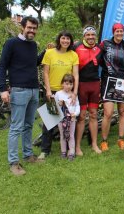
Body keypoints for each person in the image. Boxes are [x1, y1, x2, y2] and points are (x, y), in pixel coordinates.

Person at [0, 16, 43, 176]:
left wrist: (45, 52)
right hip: (18, 90)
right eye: (29, 27)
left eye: (35, 28)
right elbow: (2, 66)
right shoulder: (11, 43)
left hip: (33, 90)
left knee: (29, 125)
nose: (32, 30)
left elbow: (33, 63)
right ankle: (13, 163)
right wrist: (3, 89)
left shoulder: (32, 45)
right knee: (16, 127)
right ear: (22, 27)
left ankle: (28, 155)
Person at [39, 31, 79, 159]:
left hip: (68, 93)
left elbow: (76, 75)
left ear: (71, 41)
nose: (65, 41)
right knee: (49, 121)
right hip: (53, 92)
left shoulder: (73, 55)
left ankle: (69, 149)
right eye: (63, 38)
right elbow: (45, 73)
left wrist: (75, 93)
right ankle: (45, 150)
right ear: (59, 39)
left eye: (68, 39)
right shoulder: (49, 53)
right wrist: (48, 90)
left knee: (69, 119)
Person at [99, 23, 124, 151]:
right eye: (117, 31)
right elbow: (96, 54)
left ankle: (121, 139)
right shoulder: (105, 44)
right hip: (108, 80)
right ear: (113, 32)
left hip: (122, 81)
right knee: (108, 113)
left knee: (123, 111)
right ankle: (104, 141)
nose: (119, 33)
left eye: (121, 31)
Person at [74, 26, 102, 155]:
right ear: (84, 36)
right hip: (82, 85)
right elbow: (62, 50)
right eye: (88, 35)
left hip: (95, 84)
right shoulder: (76, 47)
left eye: (93, 35)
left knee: (94, 115)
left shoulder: (100, 48)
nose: (91, 37)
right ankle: (77, 146)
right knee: (81, 116)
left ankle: (94, 144)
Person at [55, 74, 80, 160]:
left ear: (73, 85)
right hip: (61, 119)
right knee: (62, 135)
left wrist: (75, 113)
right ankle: (63, 152)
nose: (68, 86)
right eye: (66, 83)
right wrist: (59, 103)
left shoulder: (74, 95)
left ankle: (72, 152)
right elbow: (54, 107)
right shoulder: (58, 94)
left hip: (72, 119)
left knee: (71, 135)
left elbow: (77, 106)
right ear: (62, 84)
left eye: (70, 84)